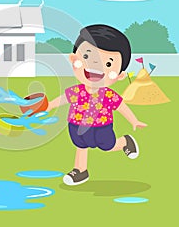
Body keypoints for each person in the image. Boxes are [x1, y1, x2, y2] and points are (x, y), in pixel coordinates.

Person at [47, 25, 147, 185]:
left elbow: (121, 106)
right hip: (76, 124)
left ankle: (124, 142)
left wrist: (133, 120)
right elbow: (62, 100)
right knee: (80, 146)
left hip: (102, 127)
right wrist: (48, 106)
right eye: (87, 56)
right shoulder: (76, 91)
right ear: (73, 59)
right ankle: (80, 170)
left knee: (108, 146)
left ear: (120, 75)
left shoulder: (108, 94)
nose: (96, 65)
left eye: (108, 64)